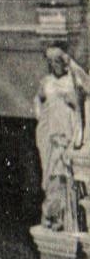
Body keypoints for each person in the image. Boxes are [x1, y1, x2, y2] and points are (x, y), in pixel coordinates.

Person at [34, 47, 90, 231]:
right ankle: (51, 216)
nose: (54, 65)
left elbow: (83, 98)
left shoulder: (71, 81)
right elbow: (38, 99)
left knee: (63, 176)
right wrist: (40, 116)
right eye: (51, 62)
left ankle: (62, 219)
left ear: (64, 62)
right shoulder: (47, 82)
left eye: (57, 61)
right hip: (49, 137)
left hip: (66, 137)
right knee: (51, 175)